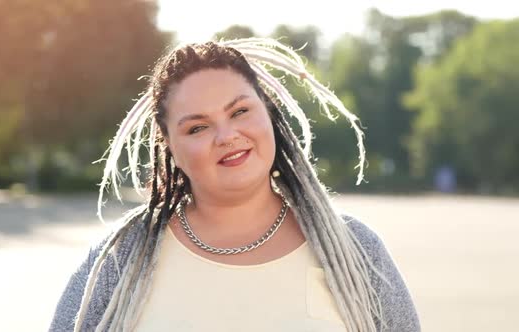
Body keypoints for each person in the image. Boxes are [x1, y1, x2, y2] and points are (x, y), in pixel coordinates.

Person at [49, 38, 420, 332]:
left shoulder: (355, 250)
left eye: (240, 111)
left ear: (269, 113)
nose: (227, 135)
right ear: (171, 149)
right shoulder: (118, 260)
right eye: (197, 127)